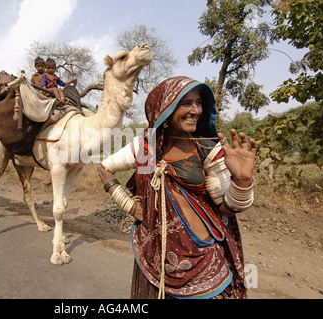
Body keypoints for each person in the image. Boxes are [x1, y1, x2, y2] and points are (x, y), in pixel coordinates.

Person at [97, 76, 257, 299]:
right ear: (165, 108)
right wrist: (129, 205)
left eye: (199, 103)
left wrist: (241, 182)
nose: (196, 110)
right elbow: (103, 168)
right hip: (153, 259)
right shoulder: (145, 147)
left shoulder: (205, 148)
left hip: (202, 262)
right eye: (186, 103)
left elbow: (227, 208)